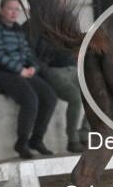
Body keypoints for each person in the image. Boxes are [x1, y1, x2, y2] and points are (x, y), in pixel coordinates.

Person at [0, 0, 57, 159]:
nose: (14, 13)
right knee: (30, 100)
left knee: (50, 97)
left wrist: (33, 67)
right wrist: (19, 70)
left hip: (22, 71)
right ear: (0, 10)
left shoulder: (17, 30)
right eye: (10, 8)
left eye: (17, 9)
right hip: (0, 72)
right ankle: (21, 143)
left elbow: (28, 53)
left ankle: (36, 139)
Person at [23, 22, 91, 153]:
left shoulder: (62, 22)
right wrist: (45, 70)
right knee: (75, 97)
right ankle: (73, 140)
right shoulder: (31, 26)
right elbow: (29, 54)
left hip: (73, 68)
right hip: (52, 70)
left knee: (94, 94)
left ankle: (85, 133)